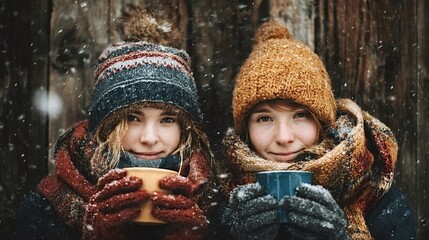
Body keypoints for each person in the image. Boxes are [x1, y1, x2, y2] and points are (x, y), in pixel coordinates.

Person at [12, 7, 218, 240]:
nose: (149, 138)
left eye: (168, 119)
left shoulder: (212, 204)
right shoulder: (46, 209)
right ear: (105, 127)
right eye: (132, 118)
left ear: (185, 129)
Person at [219, 20, 416, 240]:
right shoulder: (220, 205)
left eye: (300, 115)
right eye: (264, 118)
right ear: (246, 129)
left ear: (323, 124)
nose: (284, 137)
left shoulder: (381, 204)